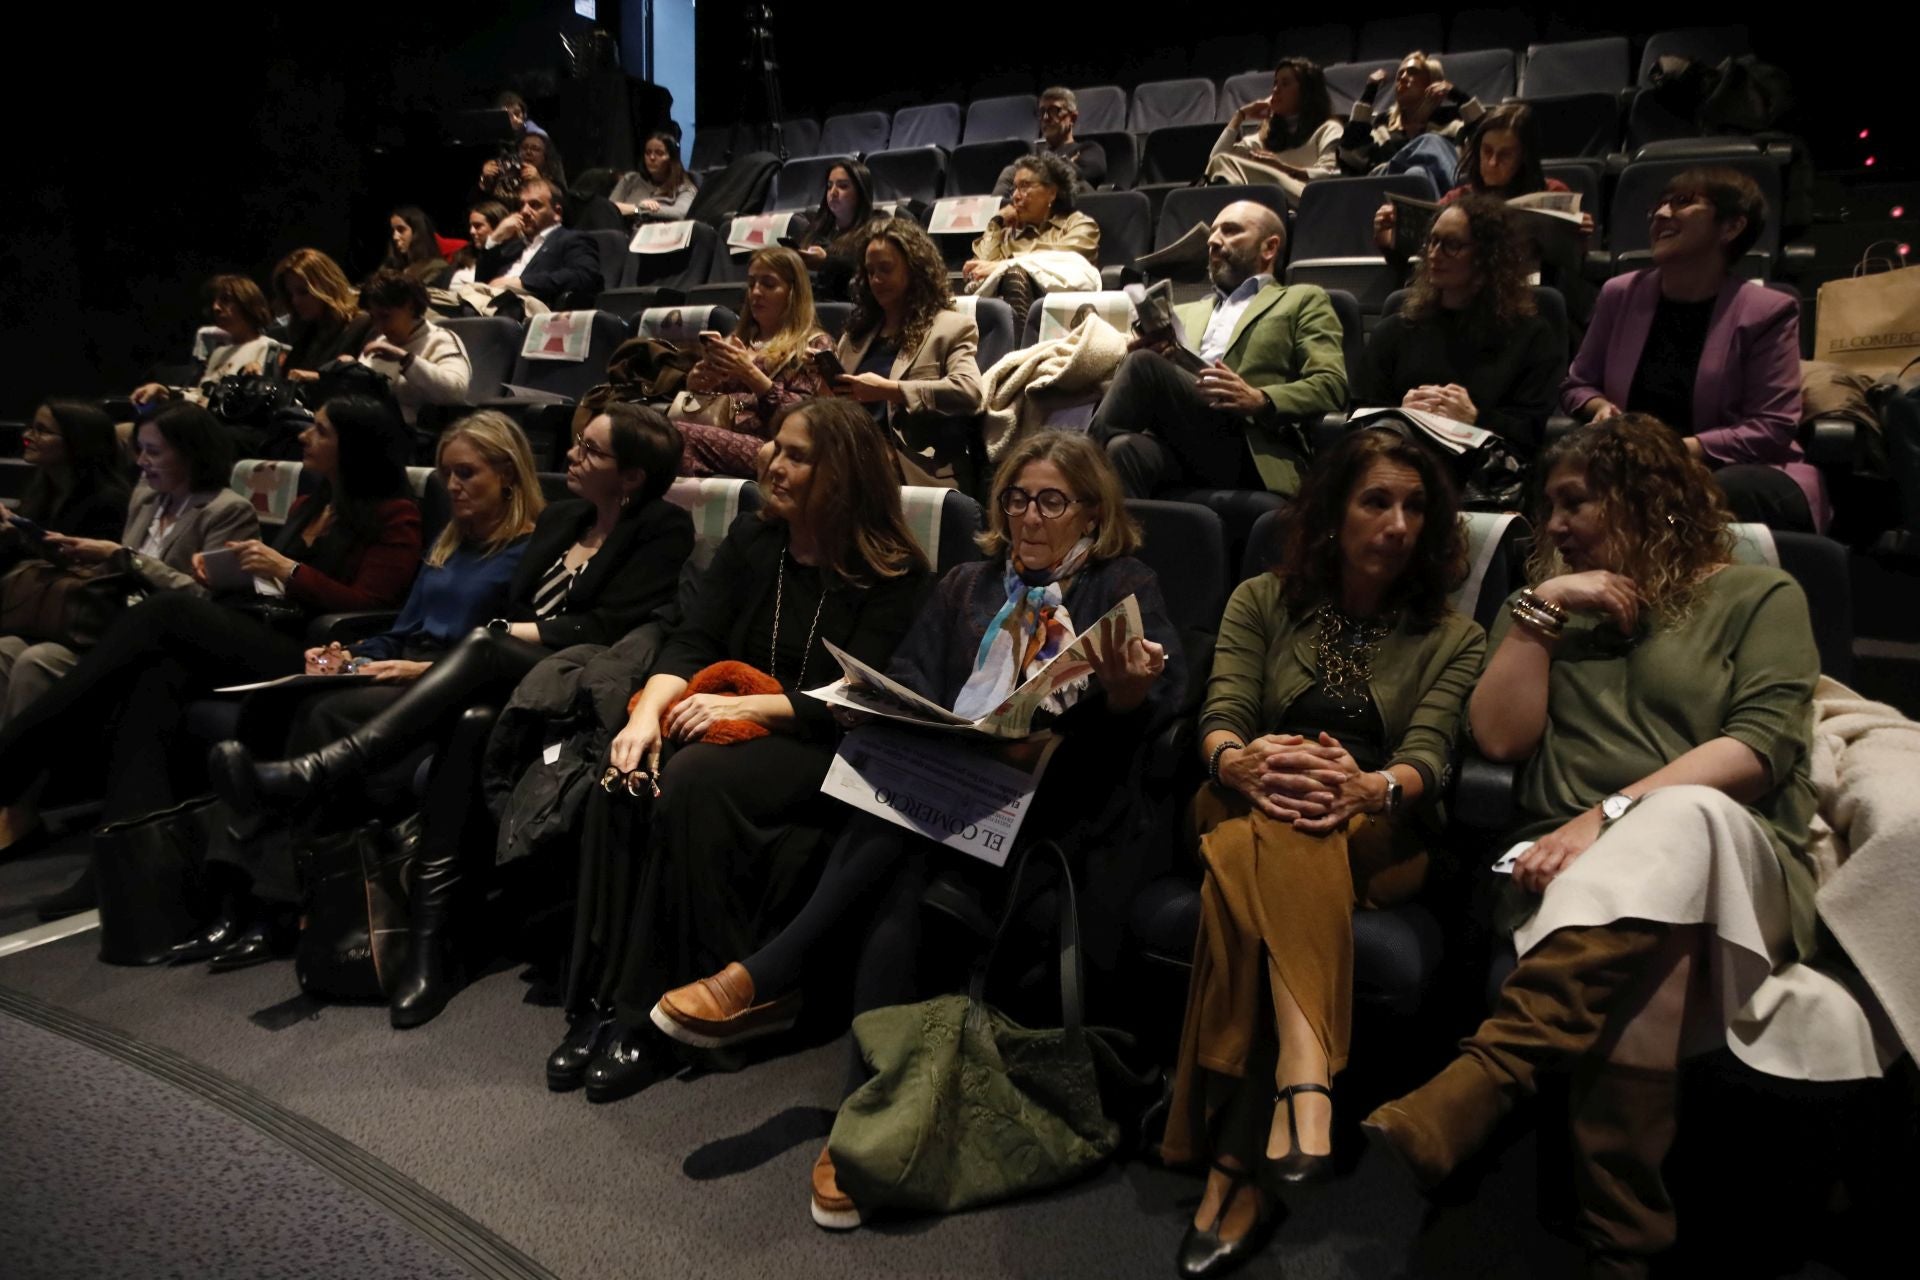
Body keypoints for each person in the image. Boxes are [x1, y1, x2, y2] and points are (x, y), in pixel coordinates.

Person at [1363, 415, 1878, 1278]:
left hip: (1733, 860)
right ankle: (1625, 1244)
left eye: (1576, 502)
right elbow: (1495, 739)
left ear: (1646, 494)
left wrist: (1603, 817)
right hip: (1566, 872)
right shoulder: (1550, 607)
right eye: (1546, 506)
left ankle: (1493, 1073)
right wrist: (1543, 612)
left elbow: (1756, 750)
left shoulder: (1759, 597)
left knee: (1679, 821)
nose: (1554, 525)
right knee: (1650, 954)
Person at [646, 431, 1184, 1230]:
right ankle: (866, 1122)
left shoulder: (1122, 584)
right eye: (1016, 497)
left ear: (1092, 512)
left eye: (1052, 500)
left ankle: (769, 976)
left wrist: (1126, 695)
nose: (1030, 515)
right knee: (901, 836)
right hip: (951, 783)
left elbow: (1150, 727)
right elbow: (914, 682)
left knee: (896, 834)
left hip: (1057, 800)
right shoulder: (969, 583)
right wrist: (894, 707)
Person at [545, 397, 933, 1103]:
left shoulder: (894, 575)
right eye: (774, 447)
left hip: (829, 747)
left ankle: (646, 1019)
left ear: (841, 475)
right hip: (733, 724)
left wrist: (749, 704)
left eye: (794, 454)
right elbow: (693, 639)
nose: (770, 463)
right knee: (627, 770)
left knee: (693, 780)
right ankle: (599, 1002)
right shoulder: (757, 545)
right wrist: (648, 717)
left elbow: (870, 697)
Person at [1165, 424, 1484, 1277]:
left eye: (1417, 507)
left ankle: (1230, 1161)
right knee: (1274, 822)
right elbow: (1222, 709)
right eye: (1376, 500)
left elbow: (1431, 755)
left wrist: (1367, 786)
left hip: (1377, 827)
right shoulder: (1262, 601)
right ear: (1334, 511)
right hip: (1243, 794)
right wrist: (1243, 759)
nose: (1399, 523)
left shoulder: (1454, 636)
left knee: (1273, 849)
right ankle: (1298, 1095)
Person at [1, 395, 422, 920]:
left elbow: (373, 606)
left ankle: (10, 762)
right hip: (270, 629)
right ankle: (123, 872)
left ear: (353, 446)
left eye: (319, 431)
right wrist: (235, 574)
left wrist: (284, 568)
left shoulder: (394, 514)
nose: (303, 437)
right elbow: (278, 590)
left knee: (165, 613)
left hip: (323, 655)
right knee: (157, 677)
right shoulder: (309, 503)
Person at [0, 403, 254, 857]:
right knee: (7, 648)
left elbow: (208, 603)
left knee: (36, 661)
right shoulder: (144, 498)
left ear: (192, 454)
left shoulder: (225, 510)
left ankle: (17, 808)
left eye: (154, 452)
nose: (141, 462)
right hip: (112, 625)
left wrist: (124, 558)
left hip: (167, 644)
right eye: (139, 450)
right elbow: (117, 570)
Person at [1561, 168, 1820, 531]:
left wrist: (1673, 450)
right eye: (1660, 205)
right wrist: (1600, 406)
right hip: (1632, 470)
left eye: (1682, 202)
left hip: (1731, 471)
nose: (1662, 214)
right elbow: (1577, 384)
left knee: (1710, 494)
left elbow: (1771, 429)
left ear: (1731, 227)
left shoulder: (1767, 311)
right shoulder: (1620, 294)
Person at [1090, 201, 1347, 499]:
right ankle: (1120, 544)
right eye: (1213, 233)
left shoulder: (1302, 299)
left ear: (1269, 248)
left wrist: (1261, 398)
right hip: (1183, 438)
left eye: (1231, 230)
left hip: (1249, 444)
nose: (1212, 240)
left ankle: (1068, 477)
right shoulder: (1184, 312)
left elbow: (1332, 385)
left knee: (1144, 366)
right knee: (1124, 449)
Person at [1354, 196, 1565, 453]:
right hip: (1404, 465)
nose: (1434, 253)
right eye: (1432, 241)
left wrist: (1474, 420)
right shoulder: (1394, 331)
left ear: (1486, 257)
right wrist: (1398, 415)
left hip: (1486, 476)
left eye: (1451, 245)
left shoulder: (1531, 337)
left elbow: (1533, 432)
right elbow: (1358, 417)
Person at [833, 219, 985, 488]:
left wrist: (891, 390)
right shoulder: (856, 335)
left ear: (915, 270)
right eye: (870, 272)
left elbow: (968, 392)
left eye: (886, 269)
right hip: (850, 452)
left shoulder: (949, 328)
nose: (876, 280)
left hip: (911, 464)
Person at [678, 247, 833, 477]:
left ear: (793, 292)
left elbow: (805, 418)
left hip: (773, 445)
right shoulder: (736, 340)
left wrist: (752, 375)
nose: (756, 292)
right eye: (752, 284)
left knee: (678, 436)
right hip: (719, 430)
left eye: (768, 284)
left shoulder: (813, 344)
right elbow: (713, 404)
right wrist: (696, 385)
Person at [962, 152, 1101, 321]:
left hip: (1063, 317)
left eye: (1025, 186)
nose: (1015, 196)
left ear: (1052, 192)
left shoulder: (1079, 225)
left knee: (1015, 274)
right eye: (1014, 188)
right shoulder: (1008, 235)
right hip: (1004, 320)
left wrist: (1004, 265)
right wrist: (996, 223)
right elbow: (980, 274)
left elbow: (1066, 260)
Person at [130, 276, 285, 410]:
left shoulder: (267, 347)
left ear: (247, 303)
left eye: (225, 300)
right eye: (215, 301)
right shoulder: (219, 353)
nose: (215, 307)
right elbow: (201, 397)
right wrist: (164, 391)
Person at [1338, 52, 1485, 191]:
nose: (1402, 77)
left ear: (1432, 82)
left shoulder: (1452, 127)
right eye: (1399, 74)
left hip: (1430, 197)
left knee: (1418, 172)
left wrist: (1458, 96)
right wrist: (1369, 92)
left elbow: (1488, 140)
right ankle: (1455, 200)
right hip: (1384, 189)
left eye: (1412, 72)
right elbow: (1349, 154)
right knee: (1430, 142)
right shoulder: (1383, 129)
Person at [1207, 58, 1342, 203]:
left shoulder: (1328, 129)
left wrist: (1281, 168)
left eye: (1285, 84)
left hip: (1309, 199)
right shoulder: (1264, 137)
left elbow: (1330, 175)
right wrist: (1240, 115)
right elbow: (1215, 162)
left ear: (1306, 91)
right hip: (1268, 202)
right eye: (1275, 83)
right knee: (1223, 165)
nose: (1276, 90)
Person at [351, 271, 473, 422]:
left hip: (414, 435)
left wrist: (406, 359)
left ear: (411, 306)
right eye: (373, 317)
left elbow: (456, 392)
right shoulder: (381, 341)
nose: (379, 326)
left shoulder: (440, 340)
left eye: (385, 316)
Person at [3, 401, 131, 543]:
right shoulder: (42, 487)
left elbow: (87, 560)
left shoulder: (109, 502)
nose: (27, 435)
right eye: (31, 428)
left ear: (77, 441)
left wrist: (19, 535)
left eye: (42, 430)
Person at [476, 177, 602, 311]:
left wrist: (521, 283)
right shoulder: (514, 247)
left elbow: (584, 276)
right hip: (486, 300)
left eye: (535, 205)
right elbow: (480, 280)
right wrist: (495, 237)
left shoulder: (572, 239)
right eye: (521, 205)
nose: (524, 211)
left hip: (523, 307)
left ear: (557, 213)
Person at [273, 249, 375, 386]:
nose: (295, 301)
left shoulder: (361, 324)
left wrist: (319, 378)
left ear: (327, 287)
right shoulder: (306, 334)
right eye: (290, 294)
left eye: (303, 292)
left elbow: (370, 382)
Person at [990, 87, 1108, 197]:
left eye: (1054, 110)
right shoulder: (1033, 152)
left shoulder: (1088, 149)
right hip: (1029, 212)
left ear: (1072, 118)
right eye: (1041, 112)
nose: (1046, 118)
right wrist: (1064, 166)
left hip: (1068, 211)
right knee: (1010, 172)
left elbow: (1088, 178)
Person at [794, 161, 882, 303]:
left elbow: (869, 268)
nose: (833, 192)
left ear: (860, 191)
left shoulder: (876, 227)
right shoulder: (817, 228)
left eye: (843, 186)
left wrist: (826, 262)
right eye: (829, 186)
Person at [611, 131, 698, 222]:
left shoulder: (684, 188)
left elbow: (681, 213)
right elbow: (608, 208)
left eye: (659, 153)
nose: (652, 157)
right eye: (648, 153)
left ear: (672, 159)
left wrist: (642, 210)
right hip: (620, 231)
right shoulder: (631, 179)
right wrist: (636, 208)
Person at [381, 206, 450, 287]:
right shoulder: (391, 265)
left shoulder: (436, 267)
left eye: (401, 230)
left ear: (417, 231)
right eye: (393, 231)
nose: (395, 237)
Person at [450, 200, 513, 288]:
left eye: (478, 226)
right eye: (471, 226)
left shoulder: (508, 257)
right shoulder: (464, 253)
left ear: (497, 226)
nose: (471, 231)